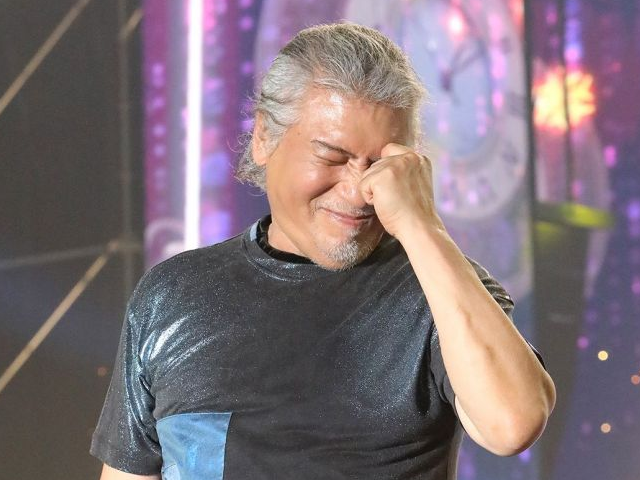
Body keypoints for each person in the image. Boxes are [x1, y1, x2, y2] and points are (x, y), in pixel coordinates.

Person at [90, 22, 555, 480]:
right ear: (264, 137)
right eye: (332, 157)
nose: (358, 191)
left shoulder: (439, 291)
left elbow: (512, 424)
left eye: (381, 166)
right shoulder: (172, 294)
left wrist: (421, 225)